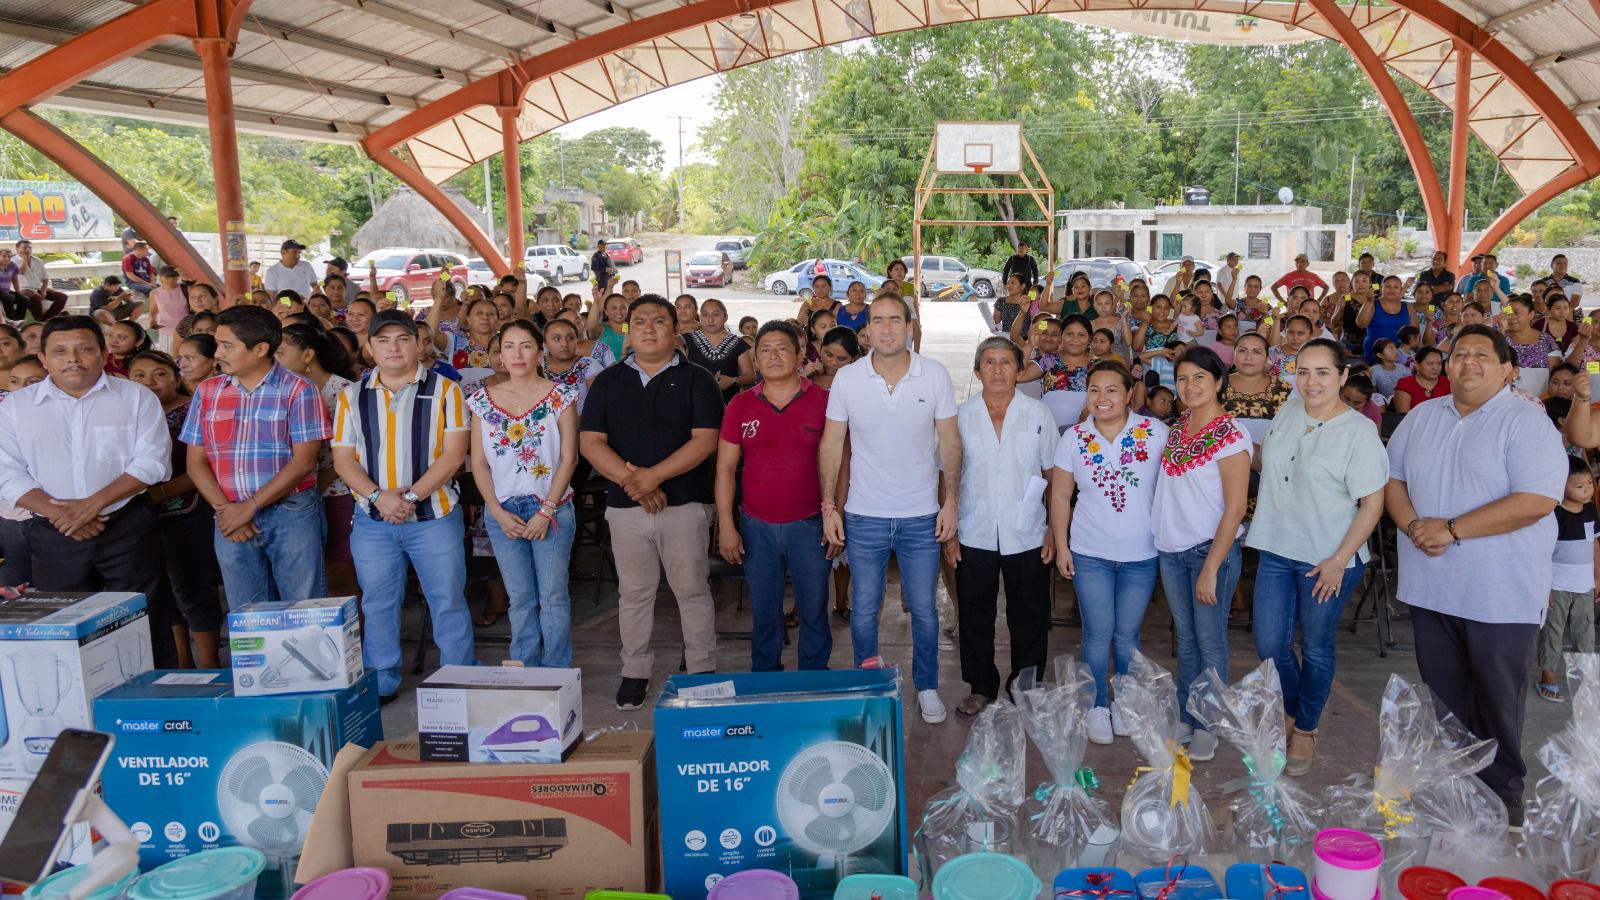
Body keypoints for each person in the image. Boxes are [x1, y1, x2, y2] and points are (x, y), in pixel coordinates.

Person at [1384, 324, 1566, 822]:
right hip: (1432, 588)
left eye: (1481, 355)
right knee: (1443, 702)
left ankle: (1504, 794)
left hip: (1499, 592)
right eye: (1459, 353)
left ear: (1508, 369)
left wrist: (1454, 529)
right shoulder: (1422, 416)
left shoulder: (1526, 422)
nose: (1468, 362)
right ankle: (1453, 791)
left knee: (1496, 701)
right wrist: (1416, 527)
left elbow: (1535, 501)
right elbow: (1392, 480)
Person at [0, 316, 178, 666]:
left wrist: (91, 506)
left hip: (126, 527)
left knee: (142, 619)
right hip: (54, 534)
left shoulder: (135, 397)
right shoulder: (16, 408)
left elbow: (153, 463)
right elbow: (7, 474)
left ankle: (150, 706)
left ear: (102, 353)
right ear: (43, 358)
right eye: (61, 351)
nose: (73, 359)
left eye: (84, 349)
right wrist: (63, 514)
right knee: (64, 627)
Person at [1246, 339, 1387, 775]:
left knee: (1317, 646)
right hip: (1276, 545)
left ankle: (1304, 728)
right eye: (1302, 371)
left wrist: (1340, 559)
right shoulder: (1290, 408)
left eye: (1323, 372)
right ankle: (1294, 710)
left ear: (1343, 376)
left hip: (1328, 558)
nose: (1311, 382)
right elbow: (1264, 461)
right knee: (1270, 643)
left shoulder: (1358, 432)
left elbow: (1372, 504)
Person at [820, 293, 960, 724]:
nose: (885, 328)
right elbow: (831, 445)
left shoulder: (934, 375)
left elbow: (950, 444)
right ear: (867, 331)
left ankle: (928, 686)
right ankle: (868, 683)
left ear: (909, 326)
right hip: (864, 514)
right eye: (877, 321)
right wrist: (829, 505)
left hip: (920, 514)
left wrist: (950, 501)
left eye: (894, 320)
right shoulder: (848, 380)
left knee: (923, 607)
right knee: (864, 607)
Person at [580, 294, 723, 710]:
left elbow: (705, 439)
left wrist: (652, 477)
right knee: (635, 594)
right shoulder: (607, 381)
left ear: (674, 329)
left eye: (658, 321)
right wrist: (634, 483)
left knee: (692, 591)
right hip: (626, 509)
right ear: (628, 330)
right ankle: (635, 671)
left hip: (684, 506)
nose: (648, 328)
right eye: (639, 321)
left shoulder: (698, 378)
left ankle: (701, 668)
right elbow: (591, 443)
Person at [332, 310, 473, 701]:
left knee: (447, 598)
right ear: (369, 348)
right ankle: (383, 677)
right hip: (373, 522)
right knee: (378, 602)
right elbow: (344, 460)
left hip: (435, 517)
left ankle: (458, 675)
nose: (393, 347)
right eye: (383, 341)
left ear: (418, 343)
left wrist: (408, 498)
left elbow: (453, 457)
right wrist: (380, 497)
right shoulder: (350, 397)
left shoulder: (447, 390)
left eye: (402, 339)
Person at [181, 306, 331, 609]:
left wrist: (249, 507)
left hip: (291, 513)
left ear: (261, 348)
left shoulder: (300, 390)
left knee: (303, 611)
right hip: (229, 516)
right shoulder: (209, 391)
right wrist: (228, 512)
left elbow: (303, 462)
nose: (218, 353)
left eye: (227, 345)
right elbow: (195, 461)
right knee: (248, 616)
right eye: (217, 344)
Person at [1051, 359, 1167, 742]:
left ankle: (1125, 704)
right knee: (1098, 634)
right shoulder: (1074, 438)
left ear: (1130, 392)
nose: (1102, 398)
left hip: (1142, 554)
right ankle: (1098, 705)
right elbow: (1062, 495)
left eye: (1111, 390)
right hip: (1090, 552)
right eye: (1095, 390)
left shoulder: (1155, 432)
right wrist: (1063, 545)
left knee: (1127, 636)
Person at [947, 337, 1057, 717]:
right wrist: (949, 532)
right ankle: (981, 687)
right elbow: (947, 476)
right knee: (975, 614)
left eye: (1006, 363)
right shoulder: (960, 416)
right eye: (989, 363)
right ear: (977, 371)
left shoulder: (1038, 414)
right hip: (972, 530)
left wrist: (1054, 530)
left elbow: (1052, 474)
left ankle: (1025, 687)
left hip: (1027, 530)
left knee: (1029, 615)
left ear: (1019, 370)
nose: (997, 370)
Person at [716, 321, 834, 673]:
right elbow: (724, 469)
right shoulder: (740, 406)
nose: (774, 355)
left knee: (814, 609)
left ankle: (813, 678)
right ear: (754, 357)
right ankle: (766, 678)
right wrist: (726, 525)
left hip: (810, 523)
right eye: (765, 349)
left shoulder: (825, 402)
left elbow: (843, 465)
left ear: (801, 355)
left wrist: (835, 516)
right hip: (757, 526)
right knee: (765, 612)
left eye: (783, 348)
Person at [1152, 346, 1251, 763]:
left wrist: (1211, 567)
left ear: (1218, 383)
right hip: (1172, 551)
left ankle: (1209, 722)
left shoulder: (1232, 434)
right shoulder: (1178, 428)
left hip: (1210, 553)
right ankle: (1187, 715)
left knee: (1211, 643)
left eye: (1200, 378)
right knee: (1187, 639)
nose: (1190, 387)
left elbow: (1235, 507)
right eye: (1183, 378)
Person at [467, 317, 580, 668]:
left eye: (526, 346)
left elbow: (569, 457)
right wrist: (496, 512)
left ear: (540, 352)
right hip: (503, 511)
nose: (516, 355)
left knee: (553, 597)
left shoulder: (560, 396)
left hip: (552, 508)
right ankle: (525, 670)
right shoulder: (481, 401)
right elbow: (479, 463)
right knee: (519, 599)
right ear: (498, 355)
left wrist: (546, 510)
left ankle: (556, 671)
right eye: (508, 347)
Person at [130, 350, 223, 669]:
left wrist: (162, 493)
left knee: (191, 588)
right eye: (139, 375)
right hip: (140, 516)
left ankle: (210, 663)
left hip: (188, 511)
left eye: (159, 374)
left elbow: (206, 462)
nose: (149, 382)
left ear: (176, 377)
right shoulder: (126, 414)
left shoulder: (192, 409)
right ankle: (182, 663)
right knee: (162, 592)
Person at [275, 324, 360, 598]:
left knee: (341, 581)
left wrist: (313, 486)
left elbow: (350, 452)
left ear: (308, 354)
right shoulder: (281, 391)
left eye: (281, 352)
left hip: (336, 493)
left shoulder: (346, 391)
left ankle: (356, 639)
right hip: (295, 493)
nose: (274, 360)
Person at [1535, 455, 1598, 703]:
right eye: (1579, 487)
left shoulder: (1592, 510)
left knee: (1586, 632)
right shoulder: (1553, 515)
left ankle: (1588, 677)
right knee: (1553, 631)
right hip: (1558, 585)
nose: (1587, 491)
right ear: (1560, 486)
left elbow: (1595, 546)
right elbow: (1543, 553)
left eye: (1590, 485)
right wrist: (1544, 585)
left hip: (1584, 584)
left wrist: (1597, 578)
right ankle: (1547, 676)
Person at [682, 298, 753, 401]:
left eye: (716, 314)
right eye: (705, 315)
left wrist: (733, 380)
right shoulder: (686, 340)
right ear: (700, 317)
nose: (710, 320)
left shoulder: (739, 343)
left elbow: (750, 376)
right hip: (693, 402)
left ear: (726, 317)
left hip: (728, 404)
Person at [10, 240, 66, 322]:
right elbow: (22, 271)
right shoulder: (12, 262)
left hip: (37, 288)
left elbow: (45, 278)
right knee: (36, 297)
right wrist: (24, 259)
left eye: (30, 248)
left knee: (62, 296)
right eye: (25, 248)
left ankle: (46, 319)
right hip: (21, 290)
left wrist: (43, 291)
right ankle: (40, 320)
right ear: (17, 249)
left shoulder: (38, 261)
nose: (28, 249)